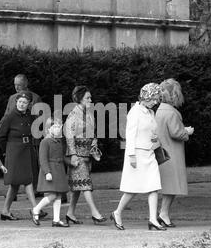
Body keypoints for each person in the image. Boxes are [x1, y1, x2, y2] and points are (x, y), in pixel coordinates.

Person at [111, 83, 165, 231]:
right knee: (132, 189)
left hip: (149, 153)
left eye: (157, 98)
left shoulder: (150, 113)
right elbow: (130, 135)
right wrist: (131, 156)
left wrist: (155, 139)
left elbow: (152, 131)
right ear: (146, 97)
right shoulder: (134, 112)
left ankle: (153, 219)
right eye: (154, 98)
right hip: (137, 154)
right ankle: (117, 212)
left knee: (154, 186)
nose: (156, 101)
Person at [0, 90, 46, 221]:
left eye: (25, 102)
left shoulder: (29, 116)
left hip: (26, 150)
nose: (22, 104)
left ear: (29, 104)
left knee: (15, 184)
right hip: (14, 151)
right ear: (16, 102)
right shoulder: (10, 116)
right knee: (27, 180)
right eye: (20, 102)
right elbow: (0, 135)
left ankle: (5, 211)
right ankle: (36, 209)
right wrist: (6, 151)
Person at [64, 85, 106, 225]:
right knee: (86, 183)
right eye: (88, 97)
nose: (90, 99)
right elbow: (69, 137)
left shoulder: (89, 114)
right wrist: (73, 155)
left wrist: (94, 147)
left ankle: (70, 213)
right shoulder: (72, 115)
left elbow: (93, 133)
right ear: (80, 98)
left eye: (90, 97)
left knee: (78, 186)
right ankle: (95, 213)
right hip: (77, 155)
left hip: (87, 154)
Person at [155, 79, 194, 228]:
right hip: (172, 153)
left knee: (169, 186)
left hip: (163, 152)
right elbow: (177, 133)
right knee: (172, 186)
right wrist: (187, 132)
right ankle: (163, 214)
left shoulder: (159, 110)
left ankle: (163, 214)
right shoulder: (171, 112)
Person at [1, 74, 44, 199]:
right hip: (14, 138)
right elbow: (6, 115)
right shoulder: (12, 98)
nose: (16, 87)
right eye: (15, 85)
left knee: (32, 165)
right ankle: (13, 192)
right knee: (14, 166)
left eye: (19, 85)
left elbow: (39, 119)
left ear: (26, 84)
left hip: (31, 137)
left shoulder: (35, 98)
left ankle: (35, 189)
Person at [30, 118, 69, 227]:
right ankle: (36, 210)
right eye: (55, 127)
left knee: (58, 195)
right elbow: (42, 159)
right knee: (52, 195)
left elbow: (62, 157)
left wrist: (71, 163)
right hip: (50, 171)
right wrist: (47, 172)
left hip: (59, 170)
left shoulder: (59, 141)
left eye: (59, 127)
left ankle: (56, 220)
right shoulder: (45, 141)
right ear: (48, 129)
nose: (58, 129)